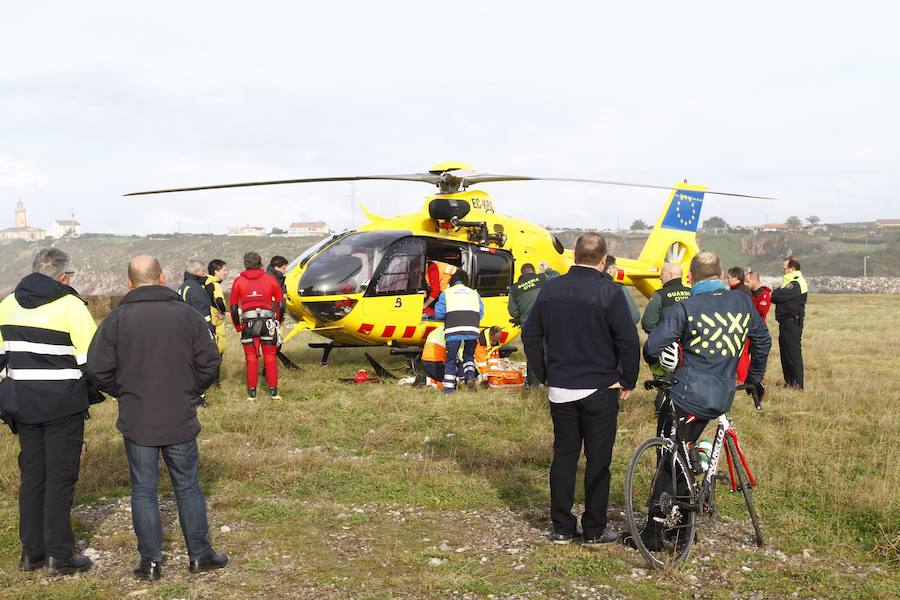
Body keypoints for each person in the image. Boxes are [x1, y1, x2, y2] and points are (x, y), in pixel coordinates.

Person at [87, 256, 226, 580]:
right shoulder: (187, 315)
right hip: (179, 414)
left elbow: (96, 369)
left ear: (129, 282)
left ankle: (150, 563)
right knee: (188, 487)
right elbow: (210, 362)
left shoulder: (116, 319)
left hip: (138, 417)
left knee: (143, 491)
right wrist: (189, 390)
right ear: (163, 278)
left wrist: (123, 390)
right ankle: (200, 555)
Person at [642, 251, 771, 551]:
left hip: (687, 394)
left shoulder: (687, 307)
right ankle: (686, 508)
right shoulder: (742, 302)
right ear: (721, 273)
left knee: (667, 456)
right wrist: (753, 377)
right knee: (685, 451)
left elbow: (652, 347)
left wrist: (664, 358)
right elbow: (763, 340)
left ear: (690, 277)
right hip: (724, 393)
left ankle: (654, 532)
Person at [522, 233, 640, 548]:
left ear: (575, 257)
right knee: (598, 460)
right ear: (604, 260)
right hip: (600, 387)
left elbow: (530, 333)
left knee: (564, 456)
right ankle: (593, 530)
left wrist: (544, 372)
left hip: (560, 387)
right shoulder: (609, 291)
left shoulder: (550, 289)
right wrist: (628, 379)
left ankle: (561, 527)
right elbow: (628, 339)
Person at [0, 248, 98, 575]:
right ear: (63, 276)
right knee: (60, 477)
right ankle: (60, 555)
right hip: (63, 404)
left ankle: (32, 553)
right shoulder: (70, 305)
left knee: (32, 477)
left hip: (22, 403)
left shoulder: (7, 304)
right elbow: (91, 362)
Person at [230, 252, 285, 399]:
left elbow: (234, 308)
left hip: (248, 323)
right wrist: (278, 321)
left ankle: (252, 394)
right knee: (270, 357)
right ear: (261, 263)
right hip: (268, 323)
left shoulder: (238, 281)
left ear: (245, 264)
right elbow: (280, 304)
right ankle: (274, 392)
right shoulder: (270, 279)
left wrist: (238, 327)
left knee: (251, 358)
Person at [509, 263, 558, 386]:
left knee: (532, 356)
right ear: (533, 271)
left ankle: (533, 385)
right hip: (546, 323)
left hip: (528, 327)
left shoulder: (515, 289)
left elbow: (512, 311)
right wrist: (547, 269)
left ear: (522, 273)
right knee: (549, 352)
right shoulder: (542, 278)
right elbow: (557, 276)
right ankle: (551, 381)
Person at [434, 270, 484, 393]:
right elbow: (481, 313)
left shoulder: (446, 293)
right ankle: (470, 376)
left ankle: (449, 389)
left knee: (451, 359)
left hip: (453, 329)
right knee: (468, 356)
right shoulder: (474, 293)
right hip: (472, 329)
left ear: (452, 281)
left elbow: (439, 314)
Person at [771, 257, 808, 389]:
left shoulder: (796, 282)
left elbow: (775, 296)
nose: (783, 270)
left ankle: (797, 384)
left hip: (792, 322)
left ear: (792, 269)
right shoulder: (789, 282)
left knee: (793, 354)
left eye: (785, 268)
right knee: (785, 354)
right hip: (785, 322)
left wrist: (777, 293)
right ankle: (790, 382)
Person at [640, 263, 691, 334]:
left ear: (669, 275)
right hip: (690, 341)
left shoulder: (659, 295)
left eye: (662, 274)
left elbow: (647, 323)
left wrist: (660, 336)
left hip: (667, 341)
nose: (660, 278)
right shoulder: (692, 292)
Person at [726, 267, 753, 383]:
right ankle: (744, 377)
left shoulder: (739, 292)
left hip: (741, 327)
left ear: (735, 278)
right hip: (742, 326)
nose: (727, 280)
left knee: (740, 352)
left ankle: (742, 379)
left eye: (728, 277)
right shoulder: (741, 290)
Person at [203, 259, 228, 373]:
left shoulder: (203, 284)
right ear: (216, 271)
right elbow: (219, 301)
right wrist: (223, 311)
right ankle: (215, 381)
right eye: (224, 270)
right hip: (216, 322)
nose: (226, 272)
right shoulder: (215, 285)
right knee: (218, 351)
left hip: (205, 321)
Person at [178, 259, 214, 329]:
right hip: (197, 330)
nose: (204, 273)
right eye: (203, 271)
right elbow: (204, 314)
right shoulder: (195, 288)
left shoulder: (183, 286)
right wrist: (210, 334)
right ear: (196, 271)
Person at [605, 255, 641, 325]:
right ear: (611, 270)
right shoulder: (618, 288)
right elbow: (634, 316)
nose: (616, 270)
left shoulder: (590, 286)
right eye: (615, 268)